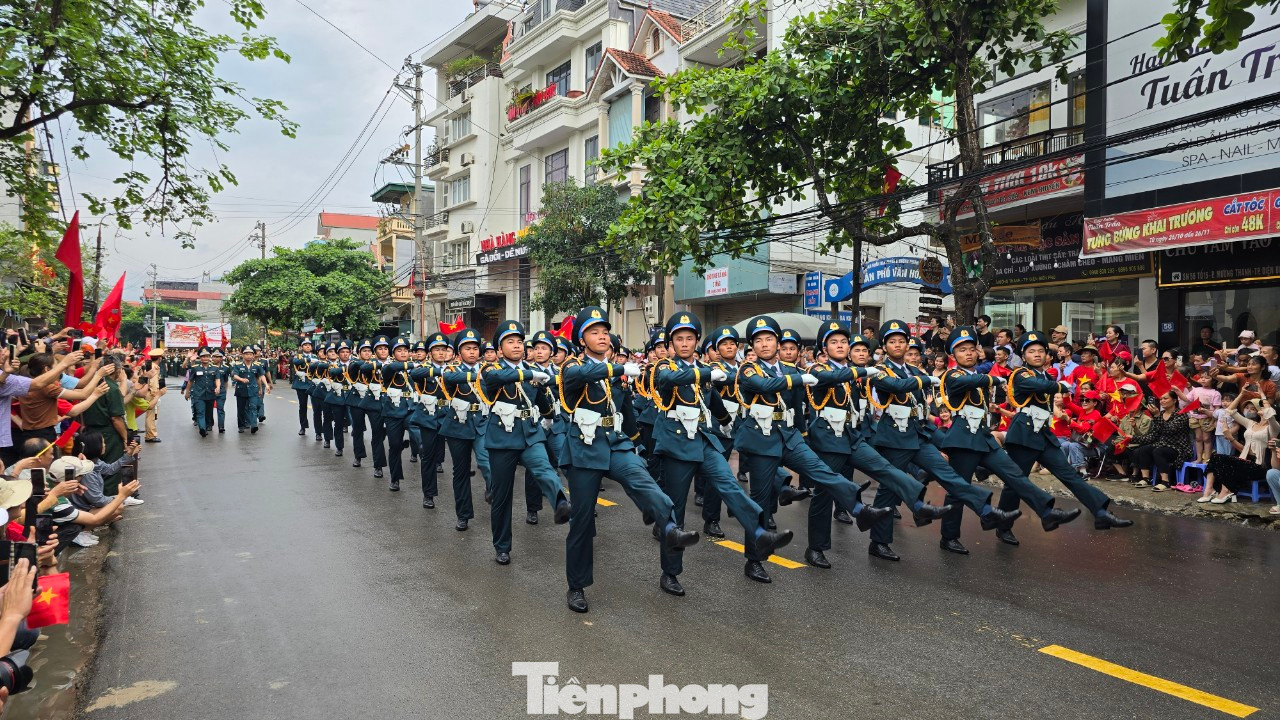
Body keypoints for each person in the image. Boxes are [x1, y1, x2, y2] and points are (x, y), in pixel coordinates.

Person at [559, 306, 697, 613]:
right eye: (594, 332)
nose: (602, 336)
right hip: (584, 446)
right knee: (582, 521)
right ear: (581, 339)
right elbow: (584, 375)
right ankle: (576, 586)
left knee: (643, 478)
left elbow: (623, 411)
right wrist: (618, 369)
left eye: (605, 332)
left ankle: (669, 527)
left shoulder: (614, 370)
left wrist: (637, 443)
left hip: (614, 441)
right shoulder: (573, 366)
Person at [734, 315, 890, 581]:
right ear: (752, 346)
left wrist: (804, 435)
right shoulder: (749, 370)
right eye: (758, 341)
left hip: (789, 435)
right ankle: (754, 560)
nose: (764, 344)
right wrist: (798, 379)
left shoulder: (791, 370)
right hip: (762, 438)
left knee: (822, 472)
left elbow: (797, 406)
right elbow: (764, 386)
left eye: (769, 339)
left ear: (777, 342)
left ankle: (859, 510)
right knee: (760, 500)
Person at [651, 312, 790, 594]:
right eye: (679, 339)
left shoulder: (704, 369)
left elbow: (711, 398)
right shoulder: (665, 366)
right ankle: (670, 572)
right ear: (670, 343)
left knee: (730, 486)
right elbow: (669, 380)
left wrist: (725, 421)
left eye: (690, 338)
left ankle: (759, 533)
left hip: (703, 439)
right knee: (676, 510)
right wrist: (705, 373)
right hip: (676, 443)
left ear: (697, 341)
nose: (685, 343)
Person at [866, 320, 1021, 561]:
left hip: (917, 435)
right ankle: (878, 542)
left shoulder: (915, 370)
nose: (897, 345)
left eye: (902, 341)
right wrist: (925, 380)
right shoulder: (880, 370)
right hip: (894, 437)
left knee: (948, 474)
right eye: (892, 341)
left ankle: (987, 512)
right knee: (889, 489)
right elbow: (897, 386)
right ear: (884, 346)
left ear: (908, 344)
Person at [803, 323, 949, 568]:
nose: (840, 346)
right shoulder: (818, 369)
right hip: (829, 440)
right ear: (824, 349)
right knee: (824, 494)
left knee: (886, 469)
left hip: (852, 436)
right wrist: (862, 372)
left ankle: (918, 505)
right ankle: (815, 548)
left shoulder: (856, 372)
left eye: (843, 342)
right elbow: (829, 378)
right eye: (833, 342)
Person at [935, 327, 1080, 551]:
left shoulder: (979, 374)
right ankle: (949, 536)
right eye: (962, 350)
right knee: (959, 490)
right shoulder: (952, 375)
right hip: (963, 440)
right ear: (953, 355)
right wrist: (992, 379)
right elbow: (964, 384)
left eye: (972, 349)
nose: (969, 353)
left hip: (984, 437)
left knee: (1014, 475)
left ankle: (1046, 512)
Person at [999, 331, 1131, 541]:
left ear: (1047, 355)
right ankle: (1003, 525)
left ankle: (1101, 512)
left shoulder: (1046, 375)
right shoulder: (1021, 374)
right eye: (1031, 351)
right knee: (1016, 482)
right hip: (1024, 433)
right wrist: (1060, 385)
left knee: (1069, 474)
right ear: (1023, 356)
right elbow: (1037, 386)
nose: (1037, 354)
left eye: (1041, 351)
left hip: (1043, 434)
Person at [475, 321, 571, 565]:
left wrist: (550, 416)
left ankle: (560, 502)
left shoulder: (531, 370)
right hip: (502, 438)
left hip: (530, 433)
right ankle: (502, 546)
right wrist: (529, 374)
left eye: (519, 342)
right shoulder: (491, 369)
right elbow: (498, 378)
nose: (517, 346)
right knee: (502, 495)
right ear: (499, 349)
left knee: (544, 468)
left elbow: (540, 399)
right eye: (510, 342)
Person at [439, 329, 488, 529]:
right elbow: (449, 381)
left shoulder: (488, 369)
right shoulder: (451, 370)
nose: (472, 352)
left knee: (486, 462)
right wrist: (478, 376)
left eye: (475, 348)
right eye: (467, 348)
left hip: (482, 423)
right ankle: (463, 514)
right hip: (458, 425)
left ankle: (492, 489)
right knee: (461, 472)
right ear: (459, 352)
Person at [1198, 393, 1278, 503]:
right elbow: (1229, 411)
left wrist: (1263, 397)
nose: (1249, 410)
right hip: (1245, 460)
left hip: (1259, 465)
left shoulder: (1273, 427)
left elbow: (1270, 415)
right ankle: (1209, 490)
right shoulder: (1251, 424)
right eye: (1247, 407)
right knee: (1215, 457)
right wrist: (1242, 393)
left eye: (1253, 408)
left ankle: (1226, 491)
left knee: (1224, 460)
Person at [1130, 388, 1198, 489]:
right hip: (1162, 445)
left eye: (1165, 398)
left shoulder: (1181, 415)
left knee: (1159, 451)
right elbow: (1153, 436)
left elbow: (1168, 430)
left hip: (1178, 448)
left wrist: (1157, 416)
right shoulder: (1161, 414)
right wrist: (1133, 438)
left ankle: (1165, 482)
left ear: (1174, 400)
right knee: (1143, 449)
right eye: (1161, 399)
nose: (1162, 401)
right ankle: (1146, 479)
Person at [379, 338, 413, 492]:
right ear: (393, 354)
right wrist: (412, 365)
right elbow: (392, 367)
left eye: (405, 350)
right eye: (399, 350)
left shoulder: (416, 369)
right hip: (393, 413)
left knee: (419, 437)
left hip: (411, 411)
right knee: (394, 446)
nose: (403, 353)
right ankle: (395, 478)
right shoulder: (388, 368)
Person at [347, 340, 373, 467]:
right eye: (364, 351)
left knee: (377, 429)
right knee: (357, 429)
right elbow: (354, 367)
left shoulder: (376, 363)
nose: (367, 353)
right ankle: (358, 455)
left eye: (369, 351)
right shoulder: (354, 363)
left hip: (373, 398)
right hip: (357, 399)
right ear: (359, 353)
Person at [324, 341, 352, 457]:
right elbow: (332, 373)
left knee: (354, 423)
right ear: (338, 354)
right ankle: (339, 447)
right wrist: (345, 368)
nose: (345, 354)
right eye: (342, 352)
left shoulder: (355, 363)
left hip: (351, 396)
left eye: (347, 352)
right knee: (338, 423)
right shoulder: (333, 365)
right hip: (337, 397)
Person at [290, 338, 314, 436]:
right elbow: (295, 362)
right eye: (305, 345)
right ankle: (303, 427)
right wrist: (308, 359)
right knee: (303, 406)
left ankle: (318, 430)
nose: (308, 346)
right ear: (301, 347)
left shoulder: (315, 356)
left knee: (317, 407)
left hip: (313, 384)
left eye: (309, 345)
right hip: (301, 384)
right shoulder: (298, 356)